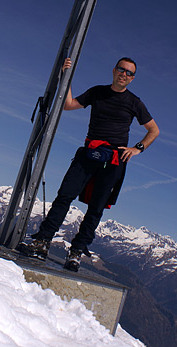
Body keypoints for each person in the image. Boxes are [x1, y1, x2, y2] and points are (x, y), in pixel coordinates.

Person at [19, 57, 159, 271]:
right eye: (121, 69)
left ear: (132, 79)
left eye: (129, 73)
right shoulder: (97, 92)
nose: (124, 74)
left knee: (96, 208)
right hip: (89, 152)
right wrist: (67, 77)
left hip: (114, 159)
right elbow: (69, 105)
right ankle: (43, 241)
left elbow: (154, 130)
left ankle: (76, 251)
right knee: (65, 195)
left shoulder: (134, 102)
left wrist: (136, 149)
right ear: (114, 70)